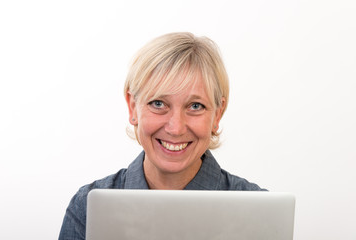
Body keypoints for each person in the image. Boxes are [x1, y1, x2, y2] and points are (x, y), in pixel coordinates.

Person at [58, 32, 266, 240]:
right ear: (133, 107)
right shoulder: (87, 209)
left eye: (195, 106)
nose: (176, 128)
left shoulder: (259, 213)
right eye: (158, 103)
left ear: (217, 114)